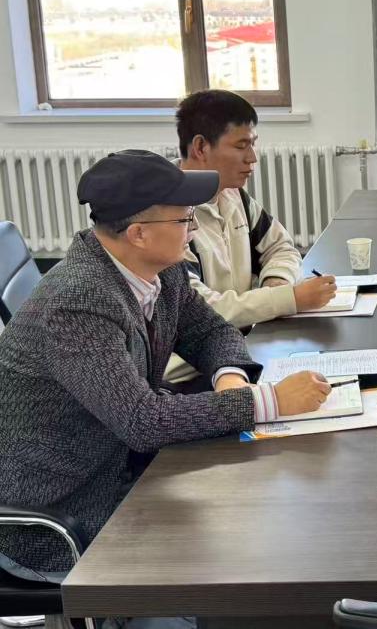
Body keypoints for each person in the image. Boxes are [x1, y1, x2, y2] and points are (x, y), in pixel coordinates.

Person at [0, 150, 330, 611]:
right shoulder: (77, 301)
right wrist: (267, 401)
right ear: (139, 233)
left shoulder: (160, 268)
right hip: (63, 514)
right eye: (185, 219)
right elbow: (143, 421)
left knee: (262, 516)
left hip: (123, 465)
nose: (193, 229)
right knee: (249, 550)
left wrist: (231, 379)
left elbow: (211, 331)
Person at [166, 89, 336, 385]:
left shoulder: (233, 195)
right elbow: (202, 311)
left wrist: (277, 283)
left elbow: (281, 247)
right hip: (197, 373)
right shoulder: (169, 215)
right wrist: (288, 299)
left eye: (252, 144)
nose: (252, 158)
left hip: (245, 344)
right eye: (241, 146)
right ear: (201, 147)